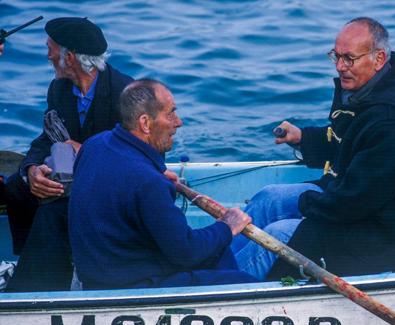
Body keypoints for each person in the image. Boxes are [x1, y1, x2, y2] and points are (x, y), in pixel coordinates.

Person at [230, 17, 395, 281]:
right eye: (336, 57)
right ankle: (208, 262)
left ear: (379, 59)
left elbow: (353, 203)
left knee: (280, 234)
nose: (340, 67)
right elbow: (350, 141)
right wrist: (304, 138)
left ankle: (217, 289)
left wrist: (306, 203)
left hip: (390, 234)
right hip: (360, 202)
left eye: (349, 58)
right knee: (270, 197)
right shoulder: (372, 90)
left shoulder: (392, 124)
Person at [68, 79, 255, 290]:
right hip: (128, 284)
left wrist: (153, 171)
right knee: (243, 282)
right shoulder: (148, 182)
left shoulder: (95, 145)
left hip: (99, 269)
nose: (178, 122)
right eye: (170, 114)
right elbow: (187, 252)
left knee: (219, 253)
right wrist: (226, 227)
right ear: (145, 123)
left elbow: (121, 181)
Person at [5, 17, 133, 292]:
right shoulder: (59, 88)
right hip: (70, 177)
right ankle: (30, 261)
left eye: (50, 48)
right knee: (18, 186)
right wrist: (31, 169)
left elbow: (136, 157)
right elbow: (45, 138)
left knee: (54, 209)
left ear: (70, 57)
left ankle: (38, 287)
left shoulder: (126, 94)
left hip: (110, 185)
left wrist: (88, 151)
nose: (48, 55)